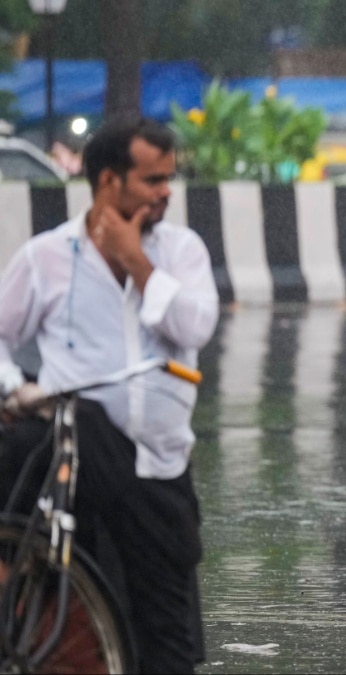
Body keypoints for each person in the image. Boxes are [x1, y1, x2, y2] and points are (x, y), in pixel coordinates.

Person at [0, 117, 218, 672]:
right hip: (75, 464)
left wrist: (135, 261)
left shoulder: (180, 250)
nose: (166, 191)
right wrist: (17, 388)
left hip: (158, 469)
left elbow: (195, 328)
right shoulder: (47, 256)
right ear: (106, 182)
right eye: (152, 180)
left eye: (169, 179)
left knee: (167, 644)